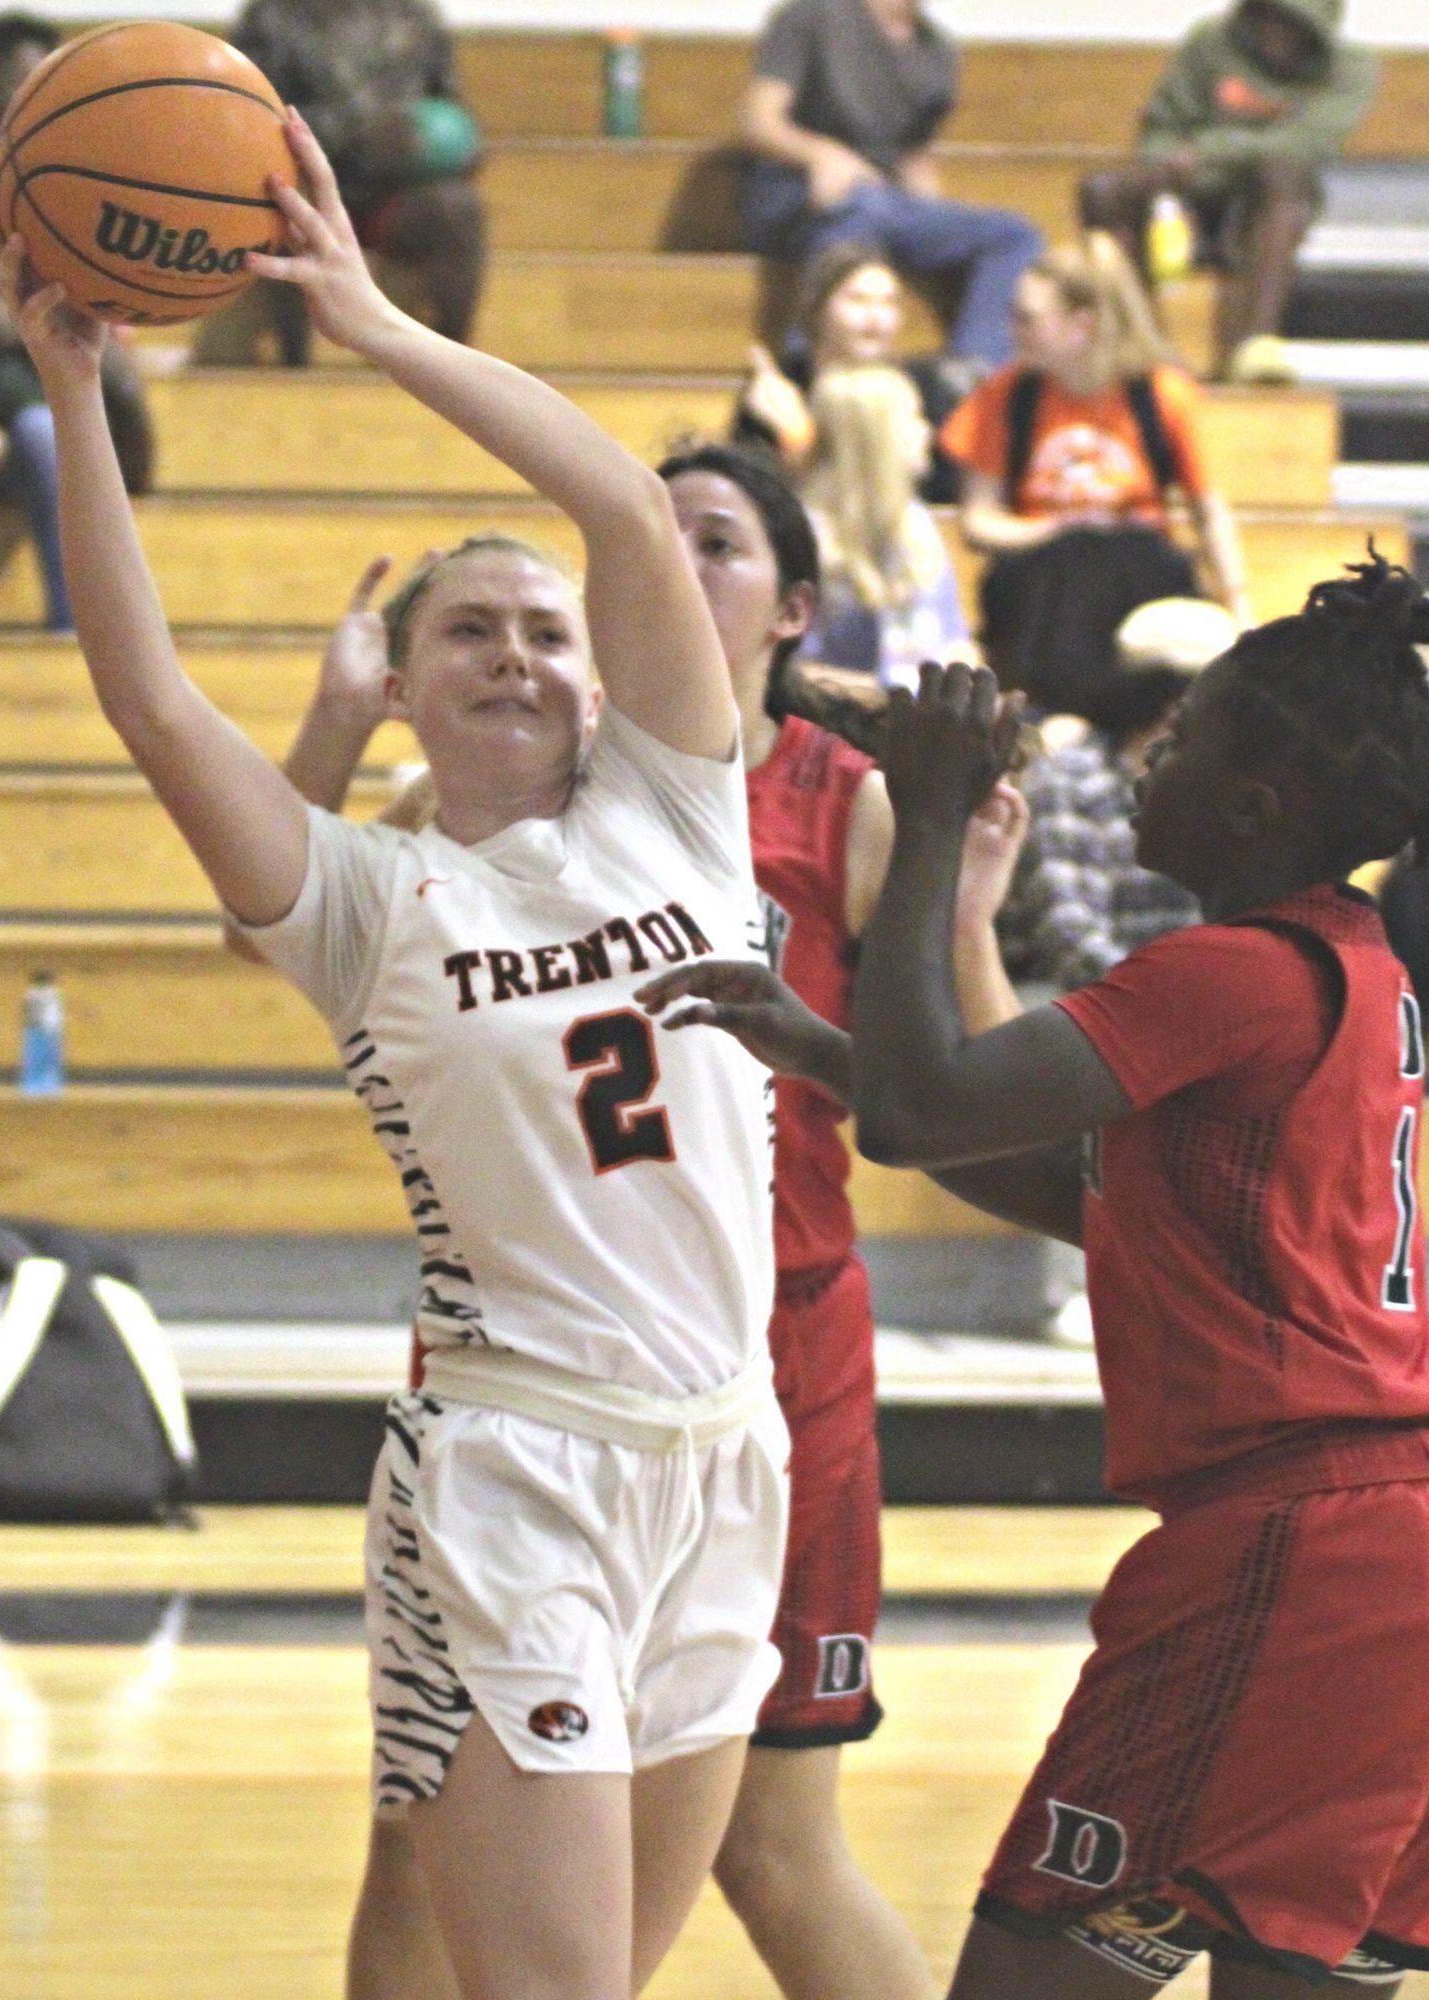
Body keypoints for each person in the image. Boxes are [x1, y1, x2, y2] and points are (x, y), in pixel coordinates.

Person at [0, 113, 792, 2000]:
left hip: (728, 1458)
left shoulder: (682, 813)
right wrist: (76, 398)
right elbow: (146, 696)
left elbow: (614, 497)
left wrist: (373, 324)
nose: (516, 654)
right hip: (515, 1474)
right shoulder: (368, 898)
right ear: (401, 681)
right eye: (467, 633)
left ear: (606, 679)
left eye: (544, 632)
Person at [273, 442, 1027, 2000]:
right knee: (419, 1833)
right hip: (515, 1368)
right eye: (653, 536)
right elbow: (295, 920)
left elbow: (966, 1084)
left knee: (772, 1845)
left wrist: (961, 916)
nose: (667, 570)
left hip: (767, 1361)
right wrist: (343, 719)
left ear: (793, 605)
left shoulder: (843, 801)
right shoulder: (517, 791)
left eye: (714, 543)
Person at [643, 553, 1429, 1993]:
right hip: (1401, 1551)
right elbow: (1068, 1189)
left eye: (1185, 736)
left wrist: (933, 817)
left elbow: (916, 1110)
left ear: (1256, 808)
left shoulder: (1231, 975)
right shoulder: (1359, 963)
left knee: (1033, 1980)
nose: (1150, 759)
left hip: (1293, 1554)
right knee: (1282, 1975)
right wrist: (816, 1043)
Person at [940, 233, 1251, 715]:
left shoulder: (1160, 395)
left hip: (1138, 573)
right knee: (1070, 563)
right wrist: (1059, 529)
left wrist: (1240, 607)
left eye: (1029, 319)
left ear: (1081, 326)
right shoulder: (1007, 395)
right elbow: (978, 521)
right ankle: (1074, 721)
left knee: (1119, 567)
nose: (1012, 330)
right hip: (1040, 576)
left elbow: (1208, 511)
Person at [0, 11, 152, 628]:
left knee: (52, 433)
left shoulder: (77, 169)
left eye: (41, 79)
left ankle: (87, 630)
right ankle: (74, 629)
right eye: (15, 79)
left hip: (63, 398)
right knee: (43, 434)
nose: (28, 92)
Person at [738, 0, 1042, 374]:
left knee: (1013, 235)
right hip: (797, 191)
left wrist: (932, 218)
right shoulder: (812, 16)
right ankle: (808, 370)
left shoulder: (936, 49)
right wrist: (821, 155)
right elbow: (759, 121)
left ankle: (973, 373)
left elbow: (916, 157)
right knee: (857, 208)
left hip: (884, 199)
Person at [1079, 0, 1377, 381]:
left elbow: (1303, 145)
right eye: (1267, 17)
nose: (1275, 34)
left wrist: (1206, 151)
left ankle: (1254, 347)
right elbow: (1160, 129)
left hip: (1266, 203)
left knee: (1280, 175)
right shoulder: (1211, 42)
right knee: (1103, 191)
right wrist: (1170, 167)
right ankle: (1142, 346)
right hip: (1186, 194)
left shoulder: (1350, 68)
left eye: (1289, 24)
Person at [213, 0, 484, 364]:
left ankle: (450, 362)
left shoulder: (413, 13)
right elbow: (251, 114)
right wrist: (360, 131)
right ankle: (293, 365)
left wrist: (461, 146)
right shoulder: (269, 15)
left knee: (457, 208)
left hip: (391, 188)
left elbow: (447, 110)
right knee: (281, 208)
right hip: (301, 178)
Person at [997, 597, 1237, 993]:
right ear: (1172, 706)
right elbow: (1068, 935)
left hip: (1182, 1007)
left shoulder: (1232, 789)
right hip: (1080, 1006)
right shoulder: (1071, 778)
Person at [732, 243, 968, 503]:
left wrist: (799, 436)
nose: (876, 317)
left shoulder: (923, 389)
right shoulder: (781, 388)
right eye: (858, 300)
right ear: (819, 308)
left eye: (888, 303)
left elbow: (944, 494)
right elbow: (751, 497)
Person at [796, 365, 968, 689]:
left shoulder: (917, 522)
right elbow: (792, 673)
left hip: (926, 717)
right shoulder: (806, 536)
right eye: (913, 418)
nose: (926, 431)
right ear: (872, 438)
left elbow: (956, 643)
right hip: (841, 720)